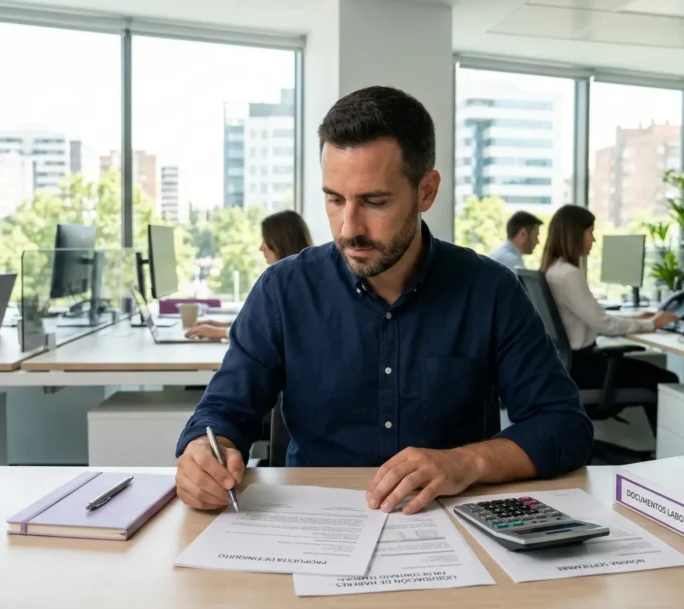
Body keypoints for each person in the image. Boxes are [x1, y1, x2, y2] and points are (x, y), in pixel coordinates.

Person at [174, 85, 592, 516]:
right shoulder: (283, 290)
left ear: (426, 192)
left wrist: (465, 461)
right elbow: (222, 412)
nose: (347, 228)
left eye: (373, 201)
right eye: (334, 199)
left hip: (444, 525)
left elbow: (564, 427)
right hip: (311, 526)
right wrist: (206, 454)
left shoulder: (490, 290)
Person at [540, 205, 679, 434]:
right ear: (575, 234)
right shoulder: (569, 274)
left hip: (571, 366)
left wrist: (635, 318)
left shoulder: (554, 271)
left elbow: (592, 317)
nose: (593, 239)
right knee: (668, 379)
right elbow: (603, 324)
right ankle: (669, 456)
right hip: (585, 368)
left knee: (652, 372)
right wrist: (653, 323)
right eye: (590, 232)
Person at [185, 210, 313, 340]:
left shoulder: (295, 284)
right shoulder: (296, 278)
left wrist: (221, 332)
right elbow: (267, 326)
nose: (261, 247)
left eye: (266, 240)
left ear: (282, 242)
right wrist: (226, 326)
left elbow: (273, 336)